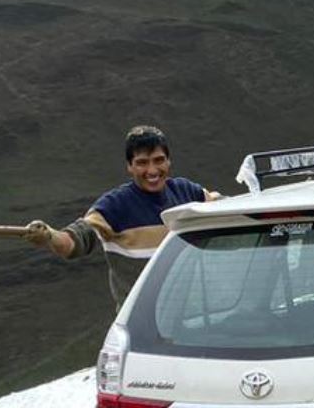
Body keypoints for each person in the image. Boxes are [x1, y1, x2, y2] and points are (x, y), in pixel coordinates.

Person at [25, 125, 221, 308]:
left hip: (193, 319)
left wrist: (223, 200)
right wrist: (49, 235)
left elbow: (222, 209)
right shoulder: (114, 206)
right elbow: (71, 244)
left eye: (159, 160)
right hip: (142, 326)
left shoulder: (187, 193)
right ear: (129, 166)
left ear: (168, 161)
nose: (152, 170)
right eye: (142, 163)